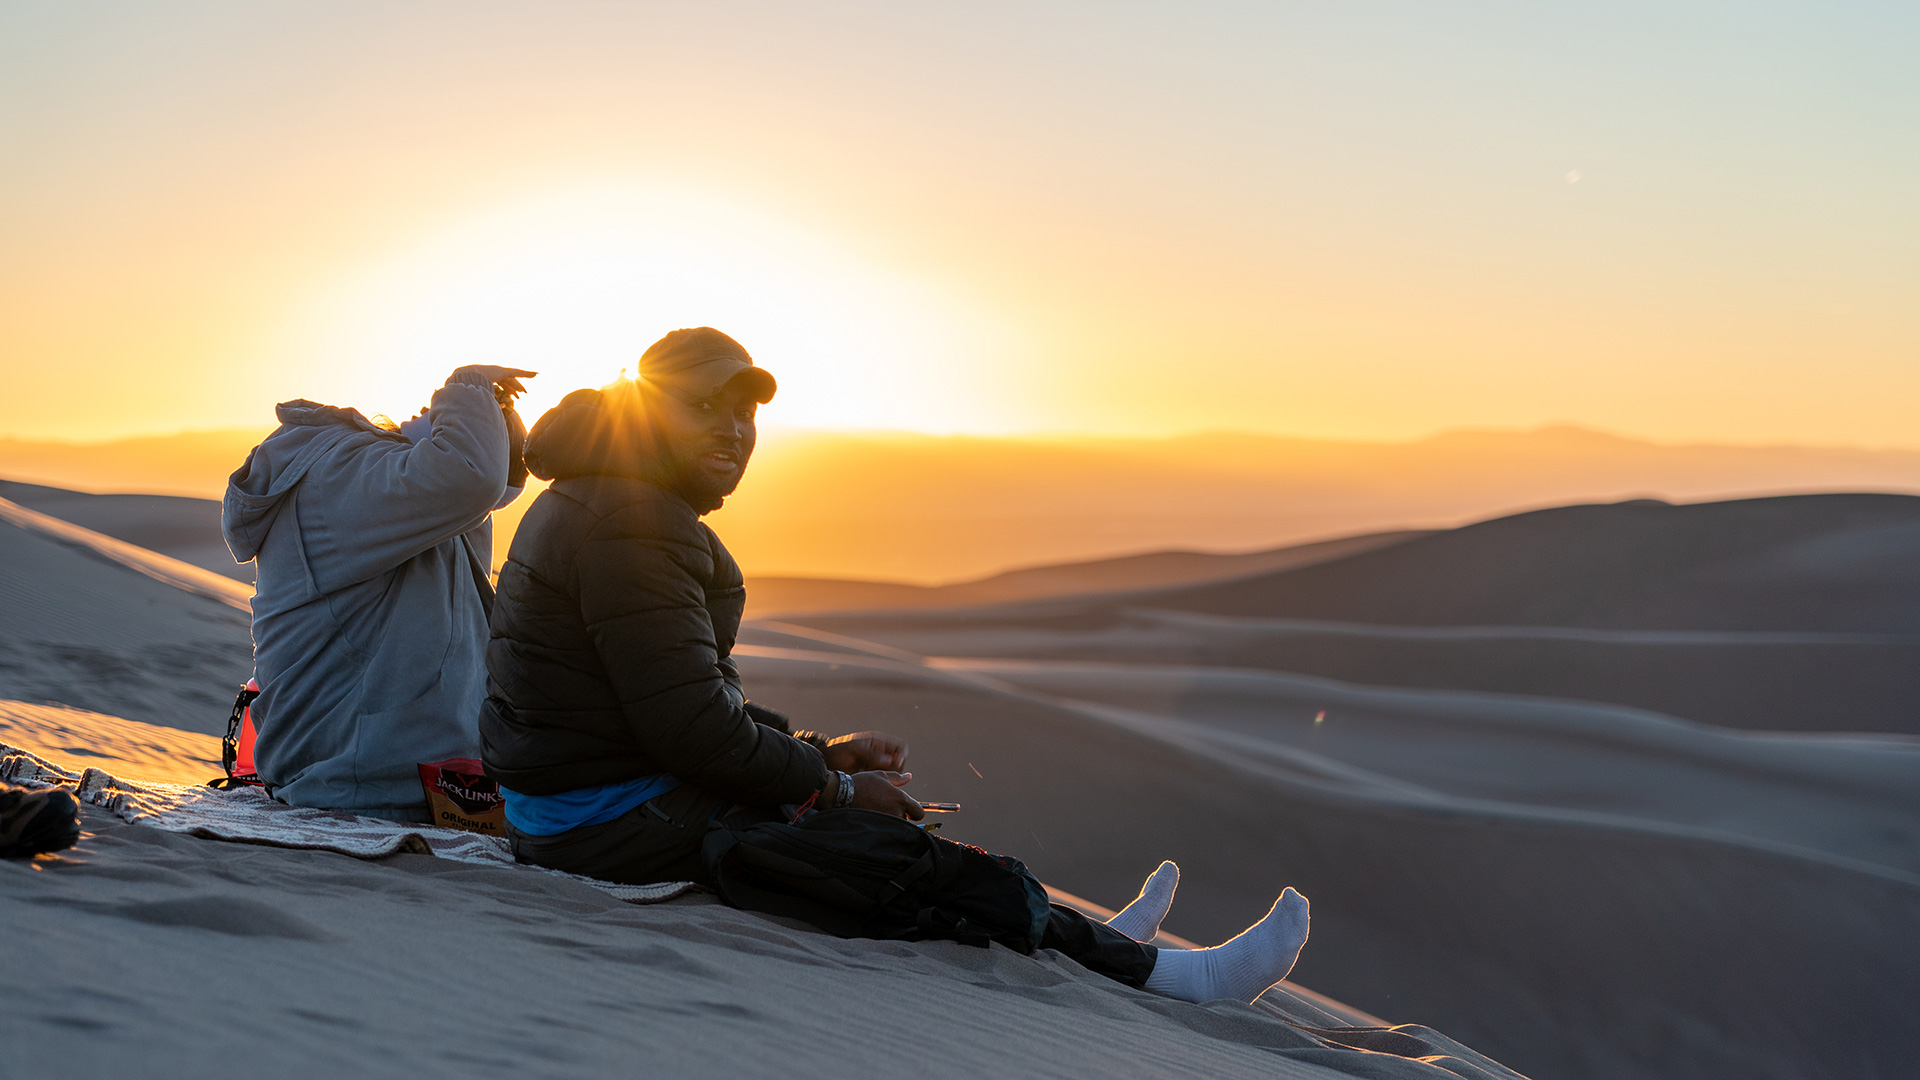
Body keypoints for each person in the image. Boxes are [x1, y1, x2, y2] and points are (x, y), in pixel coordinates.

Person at [479, 328, 1310, 1003]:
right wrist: (833, 790)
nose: (733, 431)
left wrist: (820, 754)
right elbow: (690, 728)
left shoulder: (606, 498)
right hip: (606, 826)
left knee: (864, 835)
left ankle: (1103, 945)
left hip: (587, 801)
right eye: (703, 409)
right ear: (650, 417)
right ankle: (1175, 977)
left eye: (744, 413)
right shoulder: (633, 524)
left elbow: (670, 703)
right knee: (893, 860)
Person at [222, 365, 536, 821]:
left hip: (416, 791)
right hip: (350, 790)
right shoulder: (337, 473)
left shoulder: (409, 499)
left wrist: (490, 417)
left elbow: (493, 483)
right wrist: (465, 388)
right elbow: (472, 477)